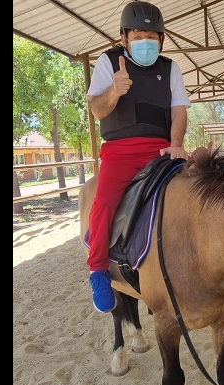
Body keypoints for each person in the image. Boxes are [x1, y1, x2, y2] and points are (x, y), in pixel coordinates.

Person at [85, 0, 190, 313]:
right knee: (103, 202)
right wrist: (114, 90)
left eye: (152, 36)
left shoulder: (171, 68)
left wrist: (175, 143)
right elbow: (96, 109)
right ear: (124, 39)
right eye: (138, 36)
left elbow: (179, 110)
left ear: (162, 39)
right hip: (120, 152)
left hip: (161, 149)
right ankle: (98, 270)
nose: (146, 42)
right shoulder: (108, 62)